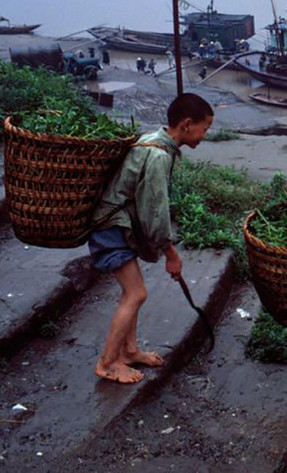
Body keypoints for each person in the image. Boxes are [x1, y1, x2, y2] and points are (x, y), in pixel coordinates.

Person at [87, 93, 214, 384]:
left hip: (116, 225)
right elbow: (154, 211)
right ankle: (108, 363)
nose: (205, 135)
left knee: (132, 291)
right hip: (110, 227)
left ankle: (129, 351)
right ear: (186, 124)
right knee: (136, 294)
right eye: (205, 128)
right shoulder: (157, 155)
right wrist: (171, 254)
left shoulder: (154, 141)